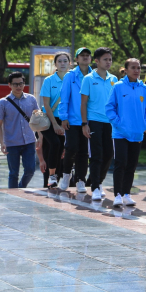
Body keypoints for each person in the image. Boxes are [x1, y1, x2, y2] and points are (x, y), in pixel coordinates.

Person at [106, 58, 146, 207]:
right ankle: (117, 194)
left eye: (138, 67)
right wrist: (118, 123)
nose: (136, 70)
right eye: (133, 67)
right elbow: (109, 107)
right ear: (125, 70)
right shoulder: (118, 87)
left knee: (132, 165)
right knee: (121, 163)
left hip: (137, 133)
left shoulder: (144, 88)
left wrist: (145, 124)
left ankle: (126, 193)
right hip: (120, 133)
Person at [81, 47, 118, 201]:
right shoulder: (88, 79)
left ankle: (98, 181)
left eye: (110, 59)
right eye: (105, 59)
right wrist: (84, 124)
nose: (108, 62)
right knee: (96, 155)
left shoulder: (114, 79)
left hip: (110, 123)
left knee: (109, 154)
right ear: (96, 61)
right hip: (94, 121)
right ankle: (95, 187)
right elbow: (83, 103)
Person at [0, 72, 39, 188]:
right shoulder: (2, 103)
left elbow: (37, 119)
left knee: (30, 170)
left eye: (21, 83)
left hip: (29, 141)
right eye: (15, 84)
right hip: (12, 142)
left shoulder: (31, 99)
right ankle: (12, 196)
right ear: (9, 85)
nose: (18, 87)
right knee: (13, 173)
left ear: (24, 84)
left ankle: (20, 187)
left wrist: (40, 136)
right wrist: (2, 142)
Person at [59, 48, 93, 192]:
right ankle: (66, 174)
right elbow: (64, 98)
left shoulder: (95, 75)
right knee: (71, 147)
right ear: (77, 59)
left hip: (90, 120)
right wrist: (63, 117)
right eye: (82, 56)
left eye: (87, 55)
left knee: (84, 151)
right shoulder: (70, 76)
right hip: (73, 120)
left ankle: (80, 179)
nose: (85, 58)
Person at [40, 52, 70, 188]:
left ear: (69, 63)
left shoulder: (74, 80)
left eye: (65, 61)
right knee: (55, 144)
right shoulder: (49, 80)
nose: (62, 64)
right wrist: (55, 124)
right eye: (60, 61)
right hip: (48, 119)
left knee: (60, 151)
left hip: (66, 120)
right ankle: (51, 177)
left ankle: (55, 180)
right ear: (55, 64)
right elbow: (46, 104)